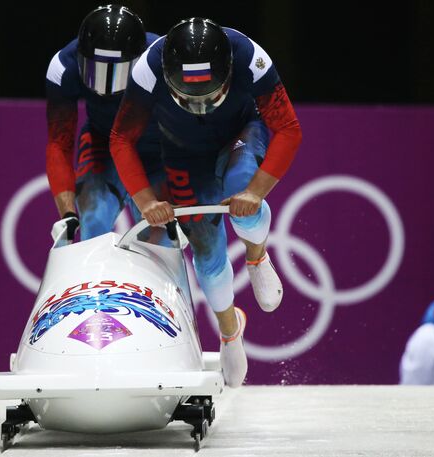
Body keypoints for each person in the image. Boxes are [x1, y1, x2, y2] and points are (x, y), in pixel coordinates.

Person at [110, 18, 302, 386]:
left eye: (210, 95)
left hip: (242, 132)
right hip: (185, 155)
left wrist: (256, 191)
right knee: (207, 253)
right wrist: (145, 199)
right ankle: (230, 330)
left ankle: (256, 254)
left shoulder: (249, 58)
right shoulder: (147, 70)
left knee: (242, 193)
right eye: (189, 98)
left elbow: (289, 129)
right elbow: (121, 138)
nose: (200, 105)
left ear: (228, 74)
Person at [45, 4, 164, 241]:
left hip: (156, 153)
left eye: (116, 72)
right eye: (96, 71)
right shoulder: (62, 67)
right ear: (80, 59)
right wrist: (68, 215)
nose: (106, 86)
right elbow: (59, 144)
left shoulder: (163, 61)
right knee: (93, 221)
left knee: (159, 236)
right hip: (104, 144)